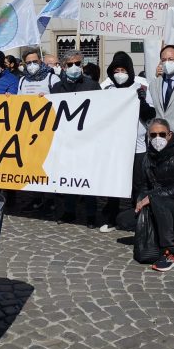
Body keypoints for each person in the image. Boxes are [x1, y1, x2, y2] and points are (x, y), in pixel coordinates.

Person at [123, 118, 174, 271]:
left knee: (157, 200)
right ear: (148, 136)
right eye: (153, 135)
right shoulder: (147, 158)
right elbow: (144, 187)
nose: (157, 138)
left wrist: (151, 198)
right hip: (159, 205)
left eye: (161, 134)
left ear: (169, 135)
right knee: (123, 220)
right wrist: (141, 202)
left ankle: (170, 254)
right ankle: (158, 236)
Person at [98, 51, 156, 232]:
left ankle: (137, 217)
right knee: (114, 182)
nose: (120, 74)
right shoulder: (107, 90)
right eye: (116, 70)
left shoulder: (141, 88)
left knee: (138, 183)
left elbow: (151, 115)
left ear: (130, 71)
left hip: (137, 147)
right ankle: (112, 218)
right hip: (115, 146)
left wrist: (141, 102)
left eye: (123, 70)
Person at [51, 49, 101, 227]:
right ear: (64, 67)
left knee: (87, 178)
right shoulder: (56, 88)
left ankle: (91, 215)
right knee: (68, 177)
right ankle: (69, 211)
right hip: (66, 140)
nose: (74, 67)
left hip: (87, 140)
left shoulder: (92, 86)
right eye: (70, 64)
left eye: (78, 64)